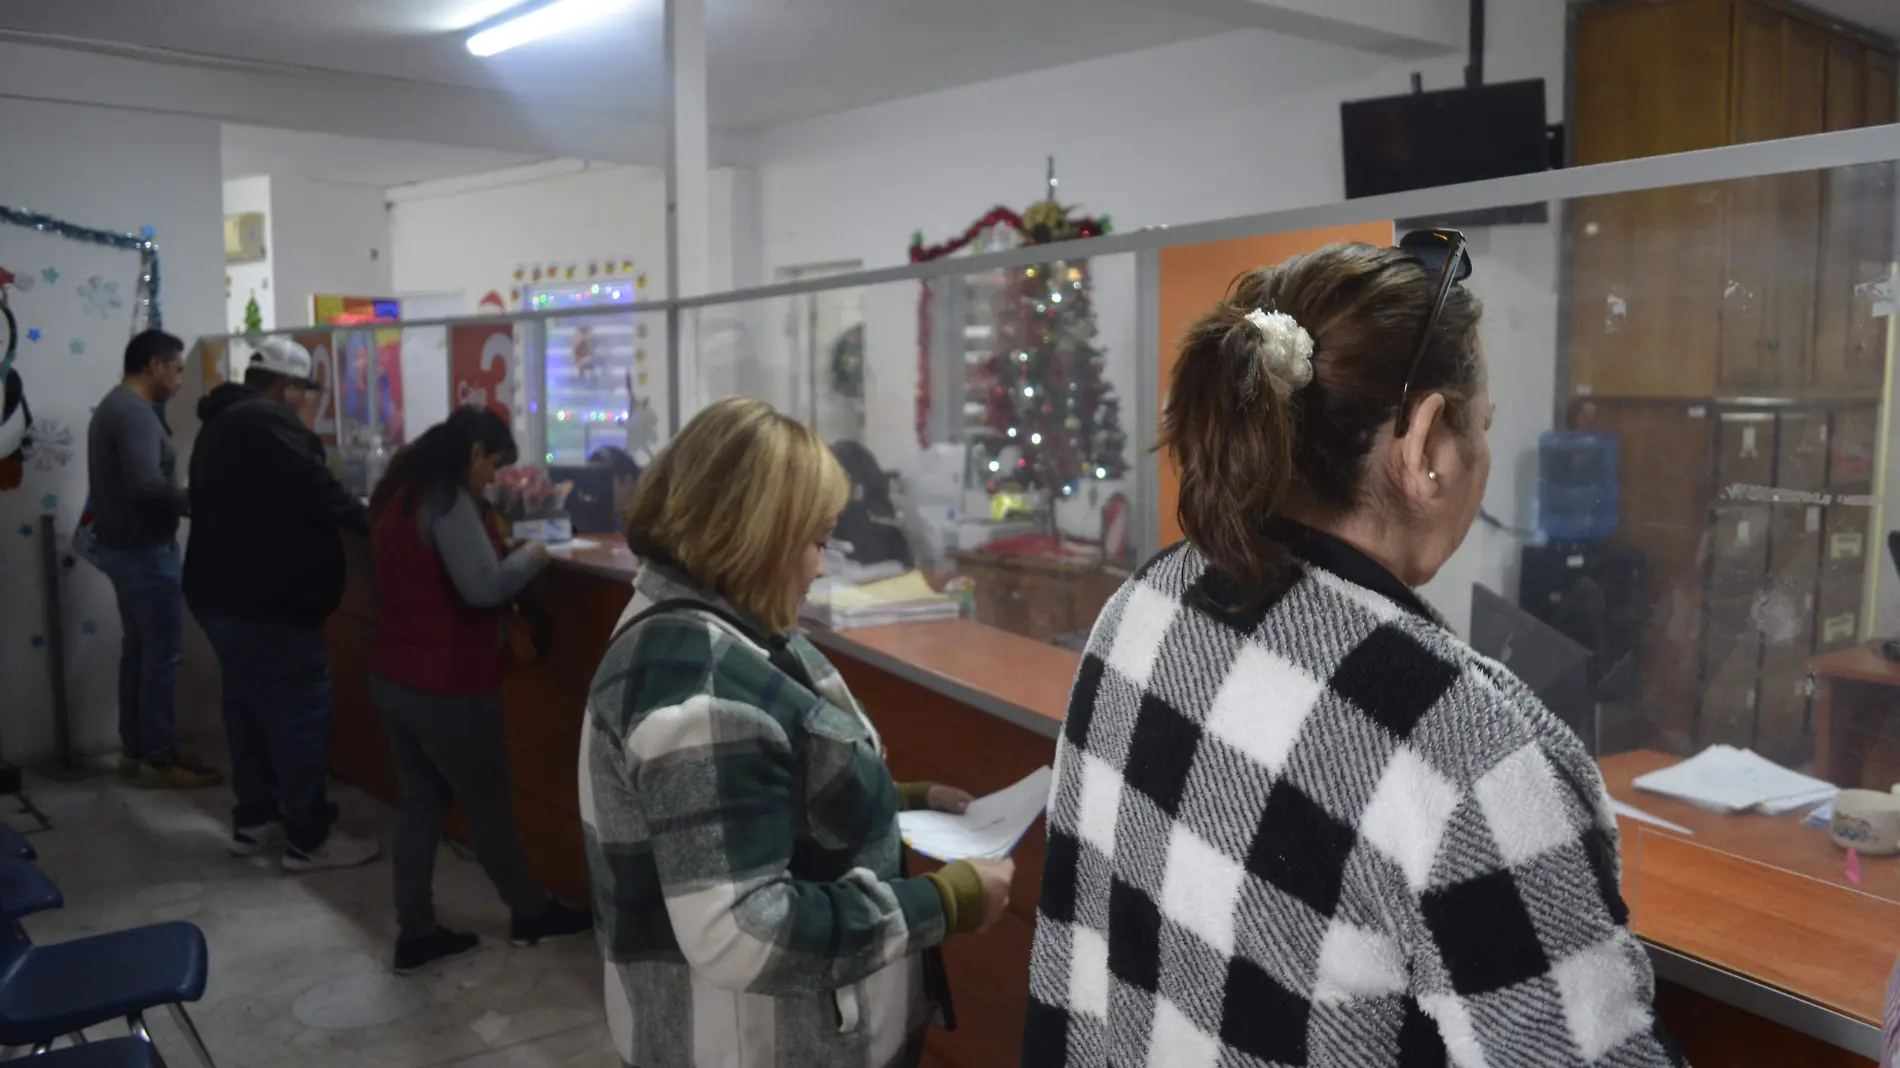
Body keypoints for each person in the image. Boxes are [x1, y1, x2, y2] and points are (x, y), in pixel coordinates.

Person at [1023, 235, 1686, 1067]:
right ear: (1425, 444)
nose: (1481, 452)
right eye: (1481, 426)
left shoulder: (1145, 604)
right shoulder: (1467, 757)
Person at [582, 396, 1013, 1068]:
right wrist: (942, 902)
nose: (819, 566)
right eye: (815, 540)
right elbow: (741, 932)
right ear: (752, 535)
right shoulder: (702, 685)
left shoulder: (713, 624)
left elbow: (749, 803)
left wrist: (895, 801)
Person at [367, 407, 591, 973]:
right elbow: (484, 589)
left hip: (395, 674)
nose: (491, 478)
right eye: (492, 465)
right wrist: (534, 557)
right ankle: (530, 912)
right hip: (447, 684)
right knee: (489, 805)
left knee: (421, 803)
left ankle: (414, 929)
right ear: (473, 452)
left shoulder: (403, 492)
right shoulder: (448, 502)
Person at [184, 337, 379, 871]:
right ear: (287, 385)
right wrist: (377, 522)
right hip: (266, 602)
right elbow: (320, 491)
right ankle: (308, 839)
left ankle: (254, 821)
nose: (307, 401)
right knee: (299, 716)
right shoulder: (268, 425)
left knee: (247, 708)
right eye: (306, 390)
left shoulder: (222, 422)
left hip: (220, 595)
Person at [89, 329, 218, 788]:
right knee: (161, 656)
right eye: (177, 369)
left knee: (140, 652)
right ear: (154, 366)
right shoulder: (135, 415)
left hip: (126, 551)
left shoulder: (113, 407)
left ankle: (135, 749)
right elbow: (147, 486)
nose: (181, 381)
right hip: (145, 554)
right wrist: (200, 499)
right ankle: (161, 757)